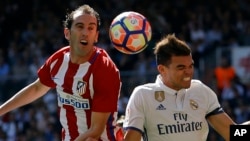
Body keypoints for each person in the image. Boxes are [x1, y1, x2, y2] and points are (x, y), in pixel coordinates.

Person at [0, 4, 122, 141]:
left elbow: (95, 130)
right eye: (80, 26)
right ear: (67, 33)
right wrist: (1, 110)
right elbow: (37, 88)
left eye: (91, 28)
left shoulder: (105, 69)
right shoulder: (58, 60)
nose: (85, 33)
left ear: (96, 36)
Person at [123, 34, 250, 141]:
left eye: (191, 66)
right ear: (162, 69)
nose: (189, 72)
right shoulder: (143, 95)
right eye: (181, 67)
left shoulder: (201, 91)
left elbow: (232, 133)